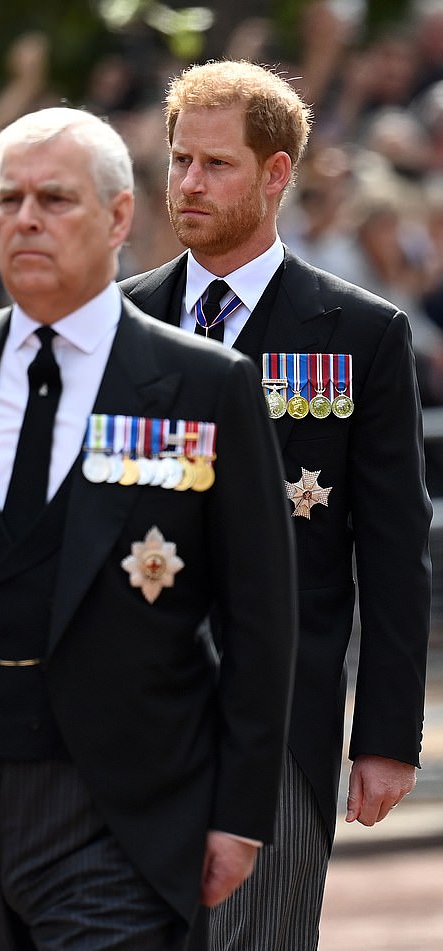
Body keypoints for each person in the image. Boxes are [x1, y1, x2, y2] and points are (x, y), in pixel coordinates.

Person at [0, 106, 297, 951]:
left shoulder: (204, 385)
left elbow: (260, 616)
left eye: (55, 199)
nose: (25, 218)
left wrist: (241, 810)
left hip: (123, 802)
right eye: (10, 198)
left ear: (115, 217)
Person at [120, 60, 432, 951]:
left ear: (276, 175)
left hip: (282, 728)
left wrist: (385, 734)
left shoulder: (362, 333)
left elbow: (394, 544)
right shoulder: (120, 321)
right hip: (130, 722)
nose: (187, 183)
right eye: (178, 160)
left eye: (215, 164)